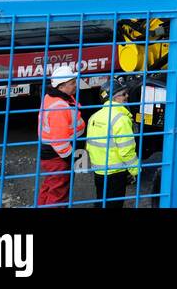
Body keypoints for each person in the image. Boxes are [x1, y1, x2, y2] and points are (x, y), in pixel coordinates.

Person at [86, 76, 141, 208]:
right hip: (115, 173)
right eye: (123, 94)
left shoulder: (94, 116)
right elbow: (126, 150)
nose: (127, 96)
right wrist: (136, 170)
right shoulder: (121, 119)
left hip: (99, 171)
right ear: (114, 98)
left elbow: (89, 145)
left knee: (101, 202)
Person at [37, 63, 86, 207]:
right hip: (58, 157)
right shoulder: (59, 106)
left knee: (50, 185)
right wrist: (73, 157)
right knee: (59, 192)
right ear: (61, 86)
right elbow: (60, 142)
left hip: (51, 155)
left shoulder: (54, 98)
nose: (75, 85)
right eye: (72, 83)